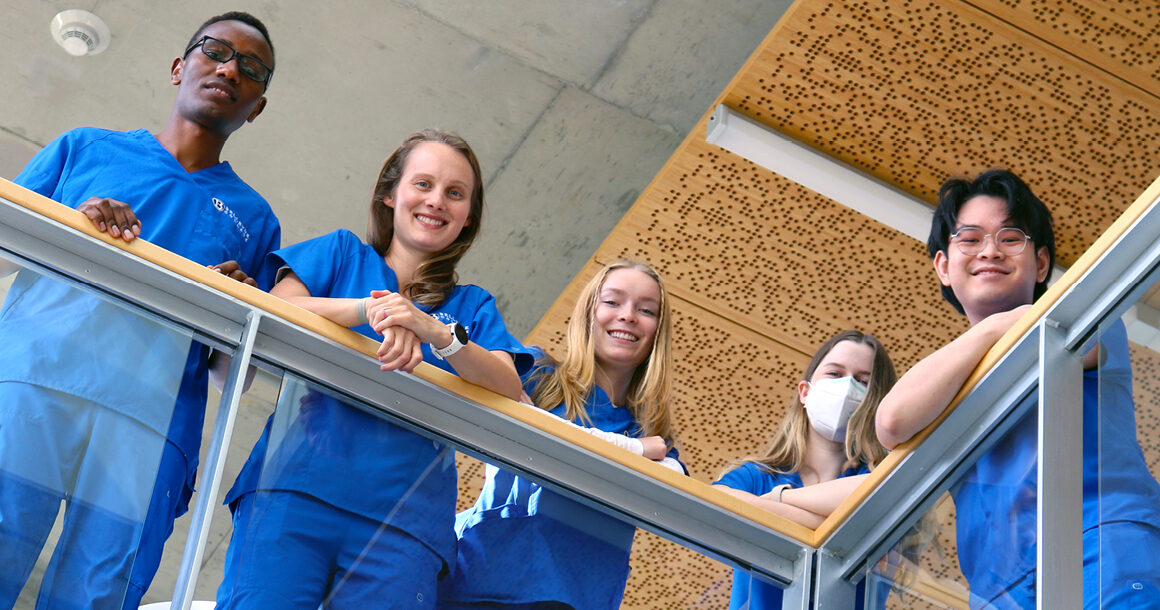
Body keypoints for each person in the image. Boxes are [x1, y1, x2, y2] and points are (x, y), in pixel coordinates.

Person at [0, 11, 280, 608]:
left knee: (97, 593)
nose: (230, 68)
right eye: (215, 51)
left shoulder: (255, 221)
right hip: (37, 381)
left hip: (149, 426)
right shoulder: (84, 148)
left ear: (256, 108)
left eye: (252, 69)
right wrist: (74, 225)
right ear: (180, 67)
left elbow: (239, 377)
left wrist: (237, 313)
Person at [216, 128, 533, 608]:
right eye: (422, 184)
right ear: (390, 194)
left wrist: (434, 332)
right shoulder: (342, 254)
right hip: (294, 494)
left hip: (404, 531)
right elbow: (276, 308)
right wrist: (371, 310)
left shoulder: (472, 305)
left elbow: (509, 387)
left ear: (469, 218)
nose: (437, 202)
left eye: (455, 193)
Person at [875, 169, 1160, 608]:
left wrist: (990, 330)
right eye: (969, 239)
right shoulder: (947, 377)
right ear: (943, 267)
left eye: (1010, 238)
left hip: (1101, 540)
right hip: (1000, 588)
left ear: (1041, 263)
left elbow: (1065, 339)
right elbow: (892, 423)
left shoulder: (1089, 317)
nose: (990, 250)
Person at [438, 259, 686, 609]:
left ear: (658, 330)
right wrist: (636, 451)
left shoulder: (653, 432)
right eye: (612, 302)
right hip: (480, 583)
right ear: (587, 313)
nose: (628, 315)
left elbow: (676, 490)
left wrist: (639, 446)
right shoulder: (536, 373)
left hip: (574, 598)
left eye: (646, 310)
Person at [714, 330, 897, 609]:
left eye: (862, 381)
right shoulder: (756, 475)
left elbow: (877, 495)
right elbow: (714, 509)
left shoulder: (884, 479)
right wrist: (834, 527)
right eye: (835, 374)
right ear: (805, 392)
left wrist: (776, 500)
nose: (847, 386)